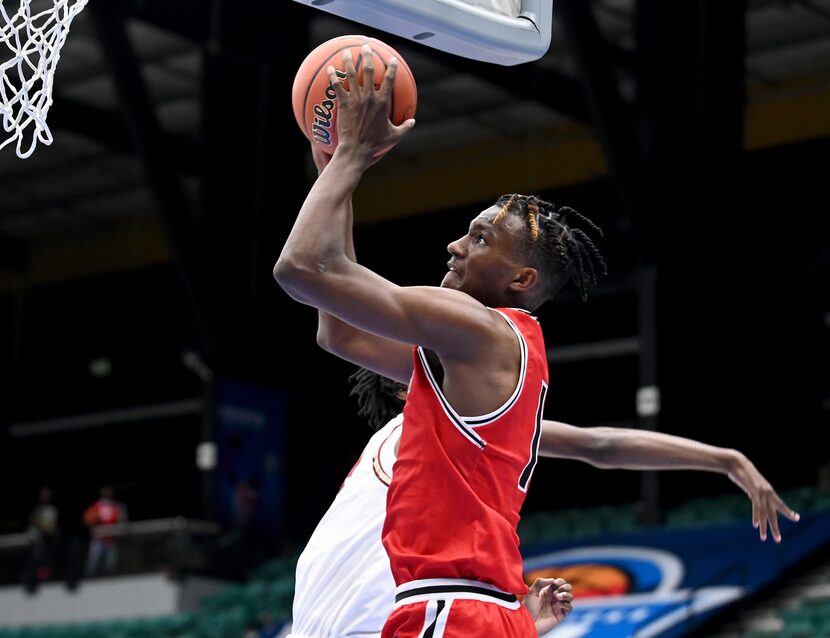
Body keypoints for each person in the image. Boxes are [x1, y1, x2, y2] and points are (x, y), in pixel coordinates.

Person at [276, 44, 603, 637]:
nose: (455, 245)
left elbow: (300, 269)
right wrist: (333, 173)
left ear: (521, 279)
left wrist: (350, 157)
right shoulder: (485, 355)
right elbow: (340, 328)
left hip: (450, 605)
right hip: (475, 607)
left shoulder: (482, 329)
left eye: (479, 239)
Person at [287, 368, 798, 638]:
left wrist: (725, 459)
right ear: (406, 387)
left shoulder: (435, 438)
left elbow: (596, 444)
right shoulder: (430, 429)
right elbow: (327, 293)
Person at [83, 485, 127, 576]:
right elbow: (87, 519)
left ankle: (110, 579)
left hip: (112, 540)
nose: (107, 493)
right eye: (105, 492)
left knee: (110, 564)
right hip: (99, 539)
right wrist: (93, 524)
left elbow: (121, 520)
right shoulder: (97, 505)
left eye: (109, 491)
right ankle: (90, 578)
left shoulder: (116, 506)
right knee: (93, 561)